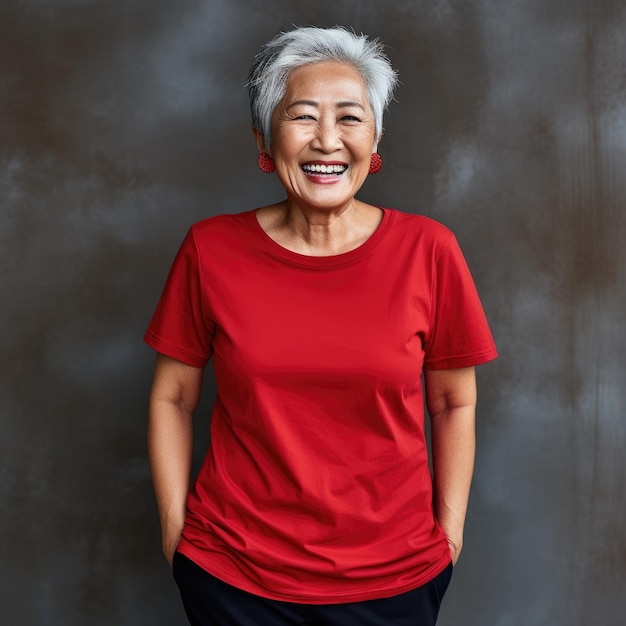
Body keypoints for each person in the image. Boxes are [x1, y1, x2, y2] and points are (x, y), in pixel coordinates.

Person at [145, 25, 497, 626]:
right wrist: (177, 534)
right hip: (233, 577)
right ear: (265, 139)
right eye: (302, 116)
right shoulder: (211, 249)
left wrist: (450, 537)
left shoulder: (429, 251)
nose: (327, 140)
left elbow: (454, 402)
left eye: (350, 118)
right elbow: (173, 396)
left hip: (396, 580)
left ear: (376, 138)